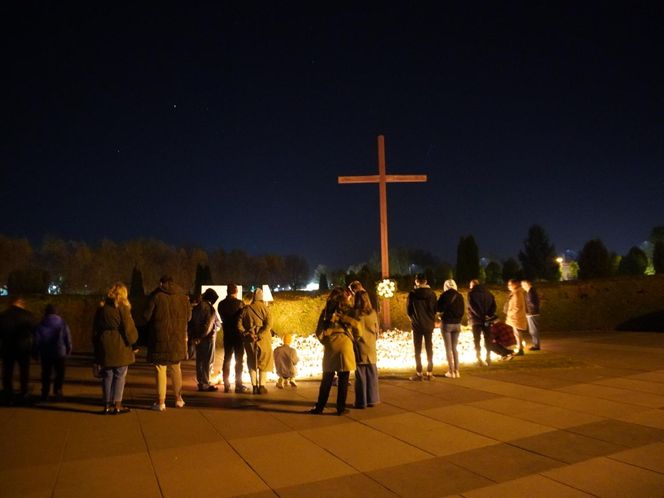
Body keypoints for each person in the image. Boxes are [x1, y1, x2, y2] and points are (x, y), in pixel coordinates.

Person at [309, 287, 360, 415]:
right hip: (345, 344)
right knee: (343, 379)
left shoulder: (326, 311)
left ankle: (319, 407)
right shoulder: (349, 311)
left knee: (327, 378)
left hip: (331, 343)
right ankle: (340, 408)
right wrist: (354, 338)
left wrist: (325, 341)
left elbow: (319, 332)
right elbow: (357, 326)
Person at [145, 275, 191, 411]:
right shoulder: (183, 297)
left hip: (160, 338)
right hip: (177, 339)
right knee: (176, 368)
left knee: (160, 368)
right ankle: (178, 399)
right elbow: (189, 317)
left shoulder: (156, 296)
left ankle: (161, 402)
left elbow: (146, 316)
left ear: (161, 283)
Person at [93, 283, 139, 414]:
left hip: (105, 345)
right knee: (120, 375)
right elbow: (128, 328)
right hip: (120, 345)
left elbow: (95, 329)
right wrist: (133, 343)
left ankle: (106, 405)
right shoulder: (122, 307)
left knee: (107, 375)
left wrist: (96, 347)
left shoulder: (102, 308)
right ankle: (117, 404)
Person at [0, 297, 37, 405]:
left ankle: (8, 392)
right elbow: (35, 332)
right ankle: (24, 391)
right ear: (21, 303)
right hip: (23, 348)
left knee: (7, 372)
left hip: (7, 348)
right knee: (24, 371)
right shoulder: (28, 315)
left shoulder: (3, 315)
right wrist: (34, 349)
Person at [237, 288, 273, 394]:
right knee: (264, 362)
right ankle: (262, 386)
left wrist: (247, 333)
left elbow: (239, 325)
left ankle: (254, 386)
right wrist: (260, 334)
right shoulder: (266, 309)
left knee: (252, 361)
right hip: (263, 339)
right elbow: (269, 325)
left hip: (250, 339)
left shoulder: (245, 309)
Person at [33, 304, 72, 401]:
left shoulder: (41, 323)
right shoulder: (62, 323)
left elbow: (37, 339)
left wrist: (35, 352)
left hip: (45, 352)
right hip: (60, 352)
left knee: (46, 374)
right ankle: (57, 390)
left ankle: (45, 392)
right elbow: (67, 337)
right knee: (60, 373)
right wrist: (68, 349)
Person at [350, 290, 379, 408]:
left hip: (359, 345)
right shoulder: (373, 313)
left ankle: (361, 401)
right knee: (372, 373)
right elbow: (377, 330)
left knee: (360, 375)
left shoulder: (355, 314)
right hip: (371, 345)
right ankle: (372, 399)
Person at [406, 273, 438, 380]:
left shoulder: (412, 294)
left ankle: (419, 373)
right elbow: (434, 310)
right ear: (426, 281)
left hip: (417, 325)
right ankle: (430, 372)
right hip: (428, 325)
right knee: (429, 348)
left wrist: (413, 319)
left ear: (416, 281)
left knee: (417, 350)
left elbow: (409, 311)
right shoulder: (432, 294)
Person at [189, 288, 221, 392]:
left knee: (200, 360)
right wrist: (202, 336)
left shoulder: (196, 308)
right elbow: (208, 325)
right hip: (207, 338)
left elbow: (191, 323)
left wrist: (195, 337)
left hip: (197, 338)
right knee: (208, 361)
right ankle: (206, 383)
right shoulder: (210, 309)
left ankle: (200, 382)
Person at [218, 284, 248, 393]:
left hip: (227, 334)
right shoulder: (240, 304)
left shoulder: (221, 304)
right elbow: (243, 319)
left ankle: (226, 384)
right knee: (239, 360)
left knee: (227, 358)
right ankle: (238, 384)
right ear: (235, 291)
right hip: (238, 335)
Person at [437, 279, 464, 378]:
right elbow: (462, 311)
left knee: (448, 348)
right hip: (457, 324)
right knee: (454, 348)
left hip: (447, 324)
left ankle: (451, 371)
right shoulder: (460, 296)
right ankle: (457, 371)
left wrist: (442, 316)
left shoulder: (443, 296)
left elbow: (438, 308)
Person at [467, 279, 497, 365]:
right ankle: (488, 357)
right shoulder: (489, 293)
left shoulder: (471, 294)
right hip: (487, 320)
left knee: (477, 340)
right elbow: (494, 306)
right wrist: (488, 315)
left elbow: (472, 307)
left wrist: (481, 316)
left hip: (476, 320)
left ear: (472, 285)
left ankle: (478, 358)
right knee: (488, 339)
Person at [505, 279, 528, 355]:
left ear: (515, 284)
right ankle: (520, 348)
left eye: (510, 284)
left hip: (516, 317)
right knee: (517, 333)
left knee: (518, 333)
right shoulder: (516, 293)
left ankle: (520, 349)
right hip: (515, 317)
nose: (508, 286)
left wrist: (510, 313)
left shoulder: (517, 294)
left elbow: (517, 307)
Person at [522, 280, 541, 350]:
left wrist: (529, 312)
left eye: (523, 285)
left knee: (534, 330)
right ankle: (535, 344)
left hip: (533, 314)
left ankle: (536, 345)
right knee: (533, 330)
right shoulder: (530, 292)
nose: (522, 286)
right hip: (532, 313)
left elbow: (532, 304)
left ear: (528, 284)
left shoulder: (531, 292)